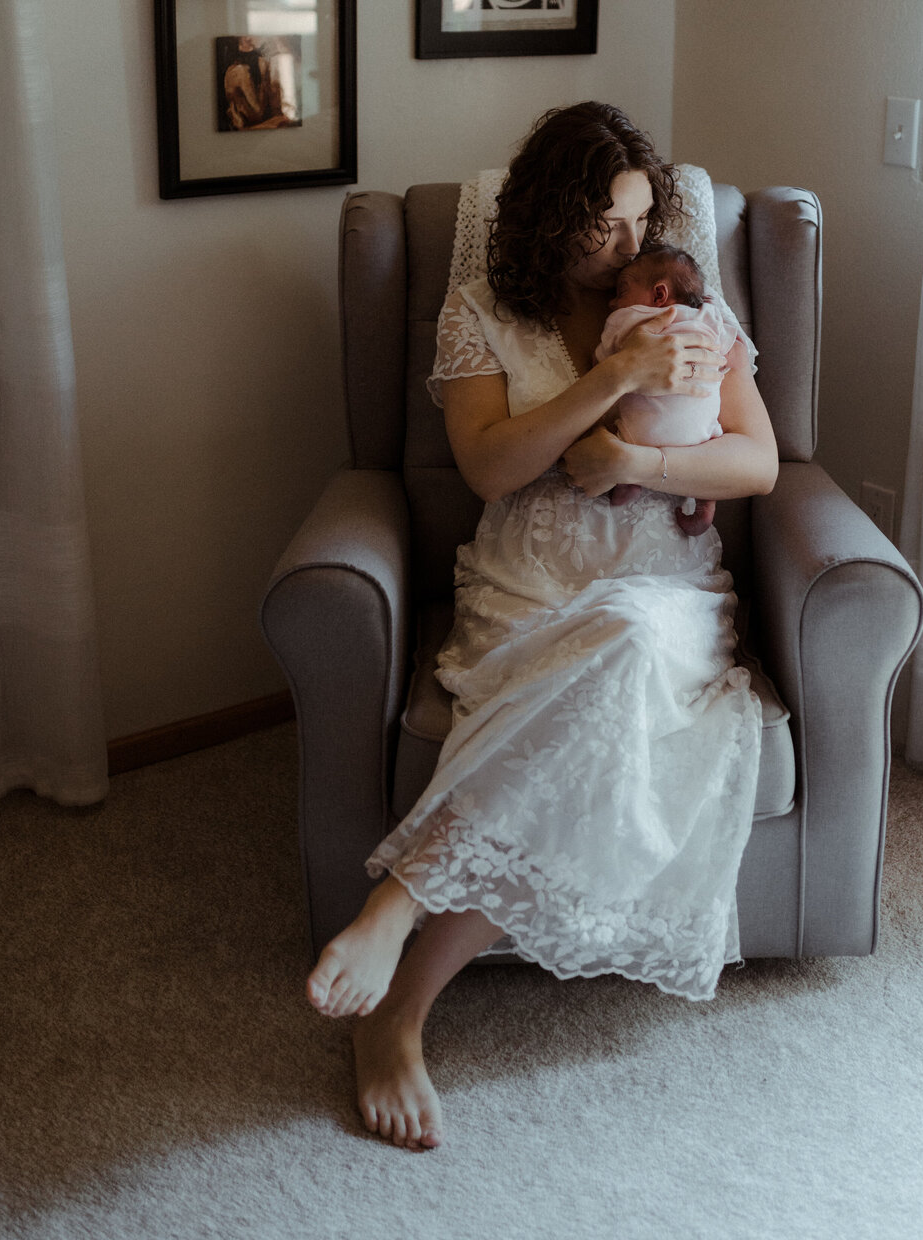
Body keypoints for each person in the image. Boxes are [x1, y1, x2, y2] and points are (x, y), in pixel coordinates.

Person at [304, 103, 779, 1152]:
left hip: (666, 597)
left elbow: (758, 463)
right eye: (605, 224)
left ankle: (398, 943)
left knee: (625, 643)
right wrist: (614, 379)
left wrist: (646, 463)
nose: (627, 246)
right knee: (590, 679)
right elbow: (488, 468)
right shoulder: (482, 313)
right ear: (549, 217)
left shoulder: (685, 304)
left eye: (641, 220)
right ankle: (396, 1000)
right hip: (527, 582)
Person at [595, 245, 735, 538]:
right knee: (713, 442)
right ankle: (704, 497)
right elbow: (726, 346)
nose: (612, 302)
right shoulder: (709, 316)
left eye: (621, 292)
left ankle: (629, 482)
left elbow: (604, 359)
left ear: (658, 295)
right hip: (702, 433)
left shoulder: (629, 319)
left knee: (615, 434)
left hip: (643, 434)